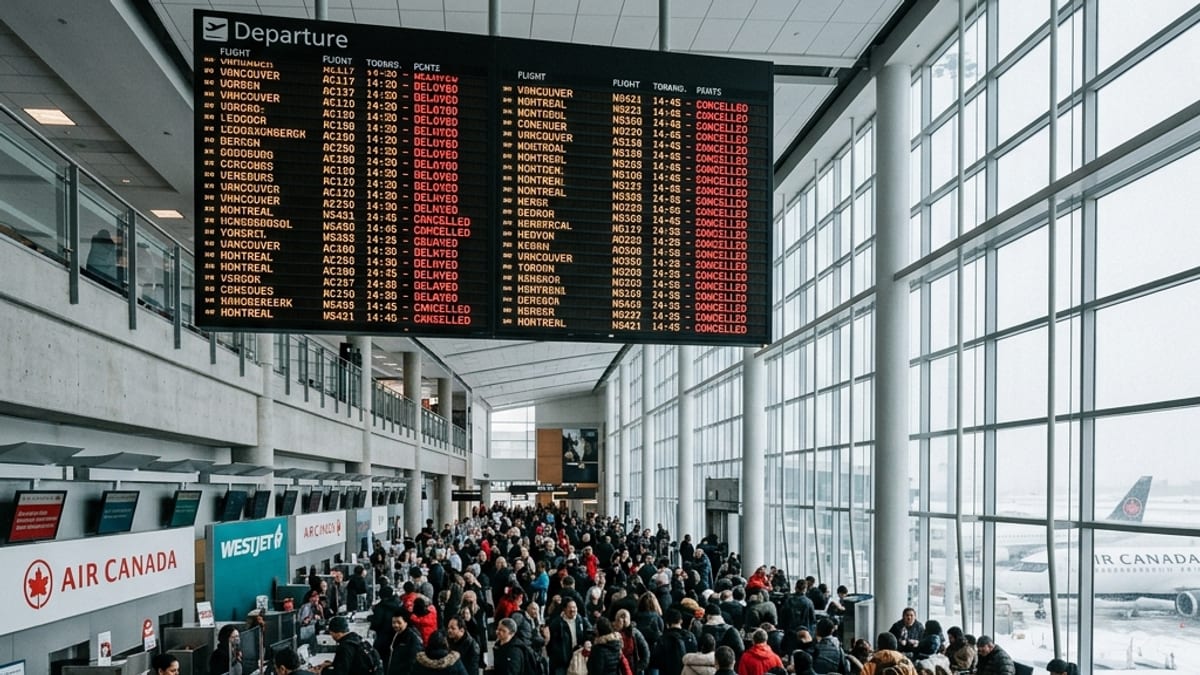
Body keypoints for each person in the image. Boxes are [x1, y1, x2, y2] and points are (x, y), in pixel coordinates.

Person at [548, 599, 591, 675]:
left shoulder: (580, 620)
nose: (572, 610)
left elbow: (590, 632)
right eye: (570, 607)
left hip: (577, 658)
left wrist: (587, 641)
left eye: (574, 607)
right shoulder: (557, 623)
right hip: (561, 662)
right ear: (564, 609)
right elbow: (550, 641)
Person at [372, 586, 405, 663]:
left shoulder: (380, 607)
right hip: (397, 635)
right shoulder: (398, 603)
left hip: (383, 637)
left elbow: (376, 623)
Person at [613, 609, 651, 675]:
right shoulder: (614, 633)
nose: (623, 621)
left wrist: (638, 668)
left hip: (632, 668)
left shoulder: (635, 633)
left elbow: (645, 652)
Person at [390, 610, 425, 675]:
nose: (396, 625)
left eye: (399, 622)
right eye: (393, 622)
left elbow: (413, 662)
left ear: (406, 622)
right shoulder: (397, 634)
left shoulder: (413, 638)